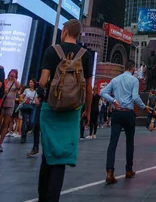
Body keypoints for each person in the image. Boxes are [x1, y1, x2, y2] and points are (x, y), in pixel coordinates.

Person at [38, 19, 93, 202]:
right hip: (72, 110)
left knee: (48, 154)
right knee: (60, 158)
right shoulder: (86, 55)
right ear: (78, 34)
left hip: (50, 108)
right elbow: (89, 88)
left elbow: (44, 81)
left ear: (65, 31)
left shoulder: (51, 51)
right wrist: (88, 111)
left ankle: (43, 197)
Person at [101, 59, 151, 185]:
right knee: (130, 142)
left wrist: (113, 101)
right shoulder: (134, 80)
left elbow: (102, 92)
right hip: (128, 113)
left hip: (117, 113)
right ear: (133, 68)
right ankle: (128, 170)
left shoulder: (116, 79)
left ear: (124, 67)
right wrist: (144, 107)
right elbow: (135, 97)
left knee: (113, 142)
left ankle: (109, 172)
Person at [0, 69, 20, 151]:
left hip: (10, 105)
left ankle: (0, 143)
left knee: (6, 124)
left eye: (13, 75)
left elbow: (18, 87)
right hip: (2, 104)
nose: (11, 76)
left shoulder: (15, 84)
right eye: (10, 75)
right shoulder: (4, 81)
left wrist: (15, 79)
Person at [20, 79, 38, 144]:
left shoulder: (36, 92)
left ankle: (25, 133)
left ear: (34, 83)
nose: (30, 83)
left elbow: (36, 100)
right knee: (24, 121)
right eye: (29, 82)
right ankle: (22, 137)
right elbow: (21, 97)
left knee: (31, 122)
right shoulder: (26, 90)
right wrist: (24, 100)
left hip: (33, 106)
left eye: (32, 82)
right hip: (26, 105)